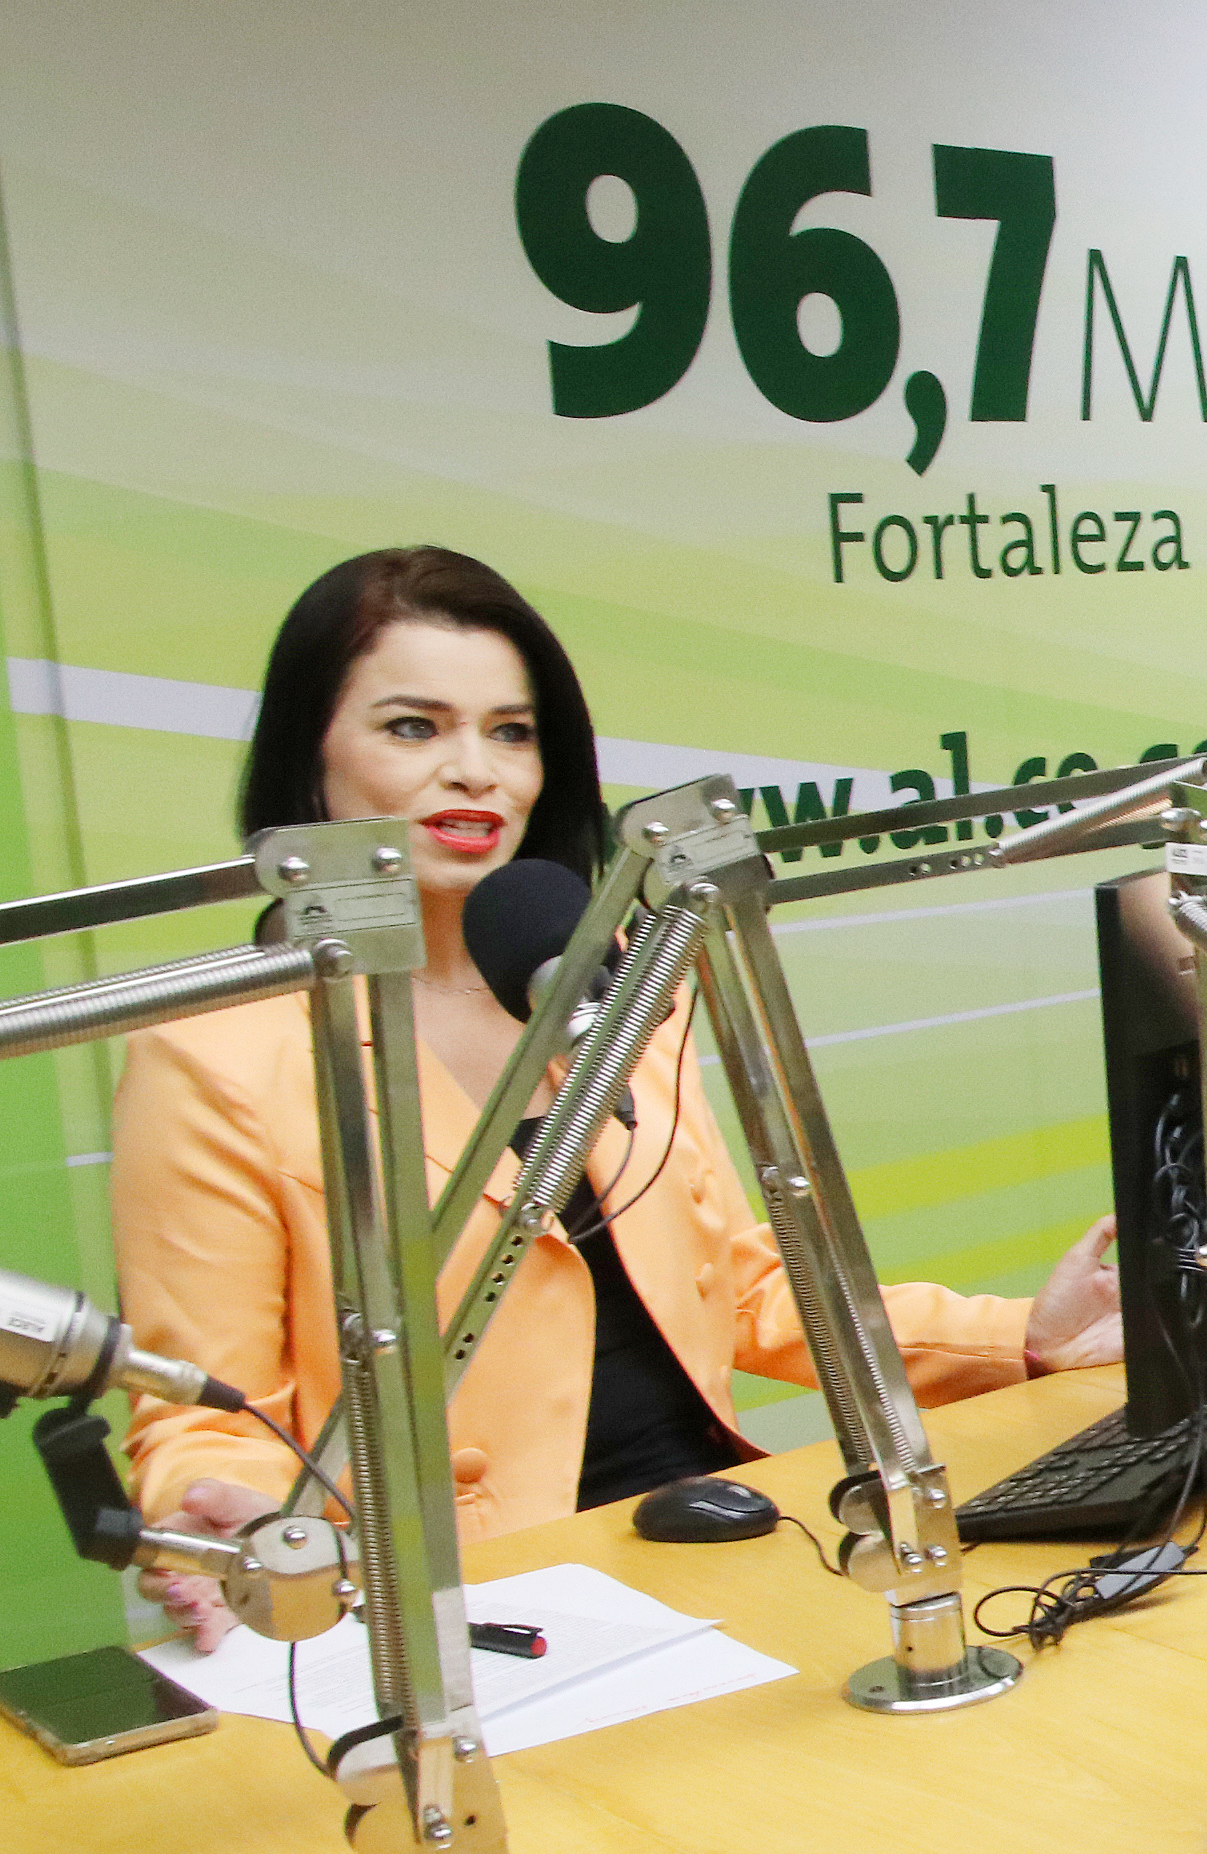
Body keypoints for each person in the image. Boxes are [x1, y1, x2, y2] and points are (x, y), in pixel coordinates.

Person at [116, 547, 1125, 1644]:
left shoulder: (618, 978)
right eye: (415, 728)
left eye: (511, 732)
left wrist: (1019, 1336)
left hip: (715, 1541)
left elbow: (743, 1287)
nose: (476, 772)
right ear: (308, 756)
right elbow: (203, 1417)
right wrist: (246, 1527)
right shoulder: (215, 1058)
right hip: (473, 1603)